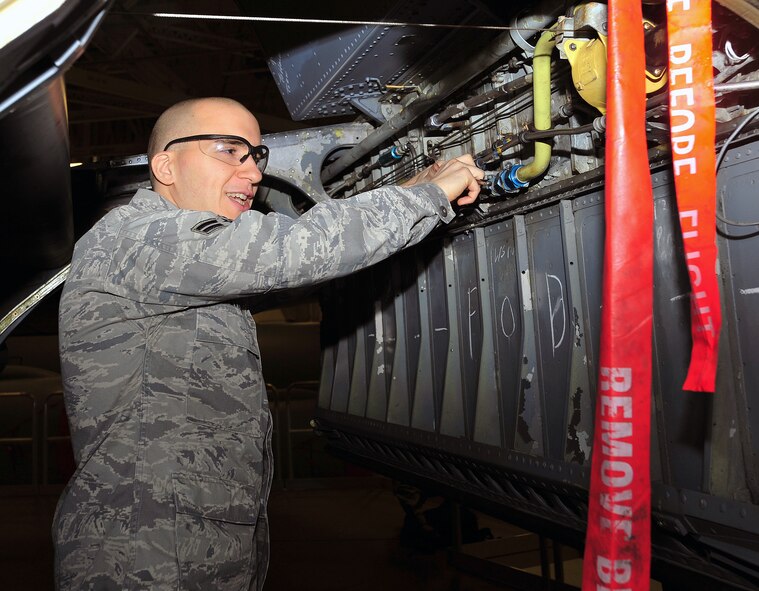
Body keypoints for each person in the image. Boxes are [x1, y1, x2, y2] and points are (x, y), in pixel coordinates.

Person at [52, 96, 483, 590]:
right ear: (165, 166)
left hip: (191, 542)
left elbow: (306, 271)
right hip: (145, 555)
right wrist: (430, 195)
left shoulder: (185, 264)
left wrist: (411, 192)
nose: (253, 173)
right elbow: (300, 249)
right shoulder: (140, 239)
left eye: (255, 156)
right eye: (227, 150)